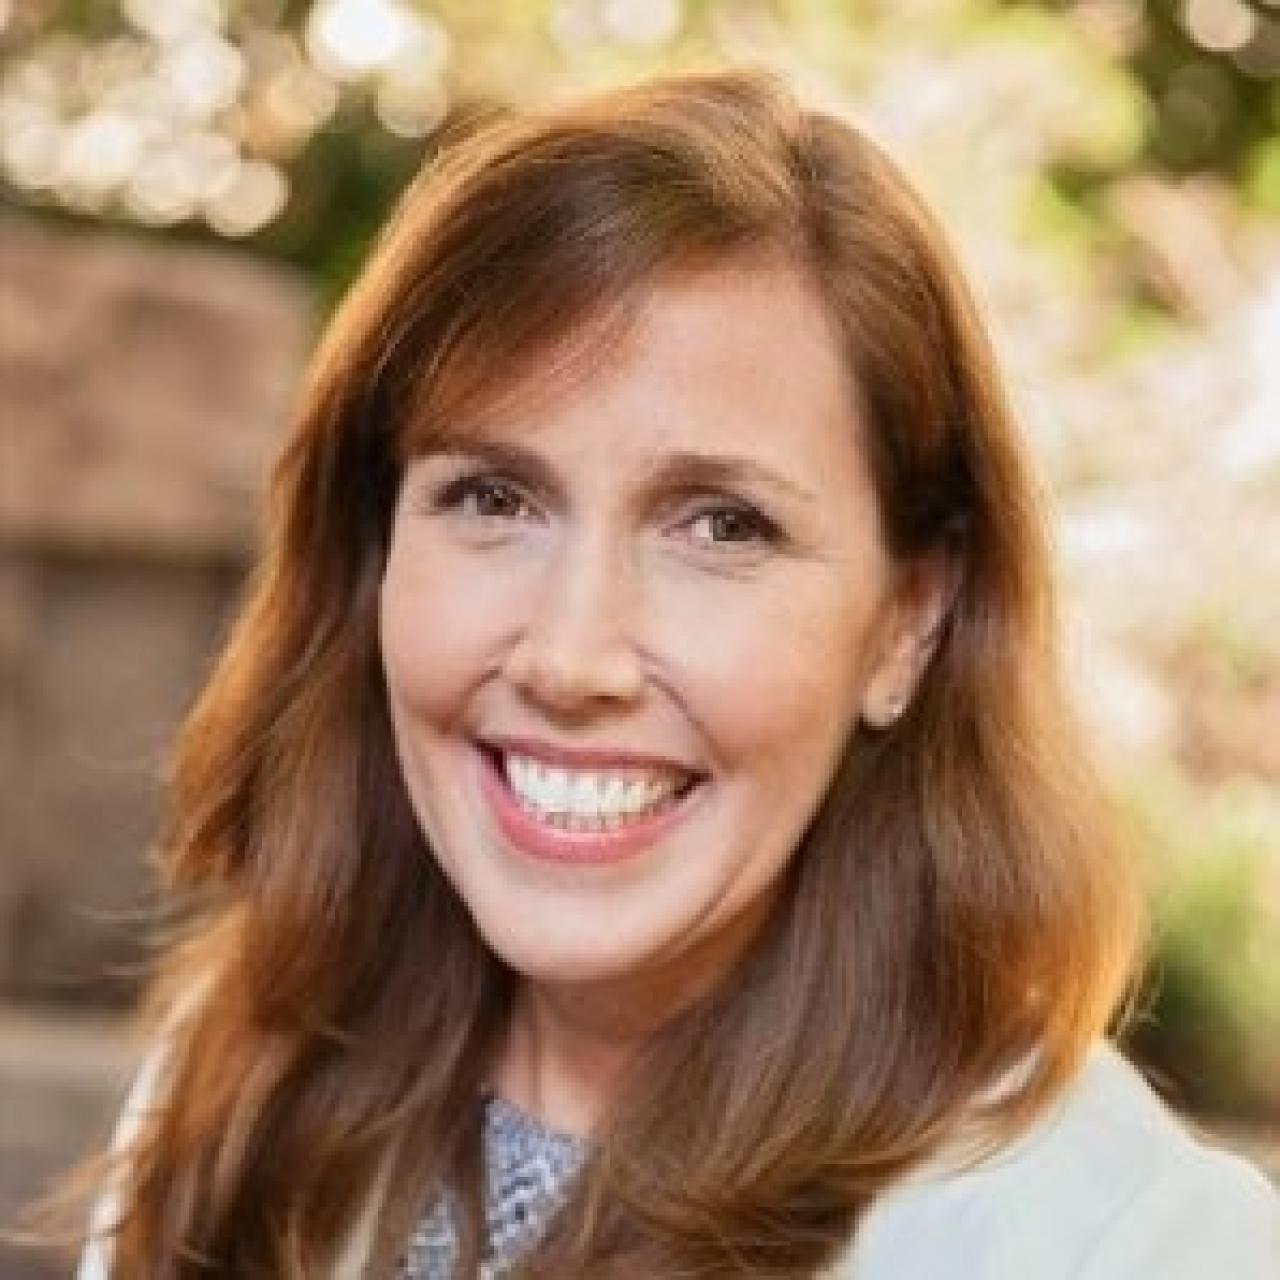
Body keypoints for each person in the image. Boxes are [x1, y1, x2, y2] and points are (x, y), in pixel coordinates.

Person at [73, 66, 1278, 1278]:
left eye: (721, 526)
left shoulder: (1126, 1243)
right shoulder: (237, 1079)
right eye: (493, 496)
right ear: (377, 542)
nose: (571, 656)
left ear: (908, 616)